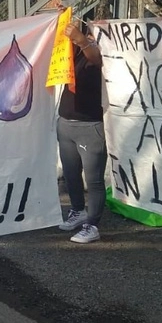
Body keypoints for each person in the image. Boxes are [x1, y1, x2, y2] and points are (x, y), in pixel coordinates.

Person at [57, 20, 106, 244]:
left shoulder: (99, 53)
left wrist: (83, 41)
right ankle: (78, 211)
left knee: (93, 180)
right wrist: (62, 18)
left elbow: (97, 58)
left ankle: (92, 225)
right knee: (70, 173)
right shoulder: (70, 52)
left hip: (90, 125)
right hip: (66, 123)